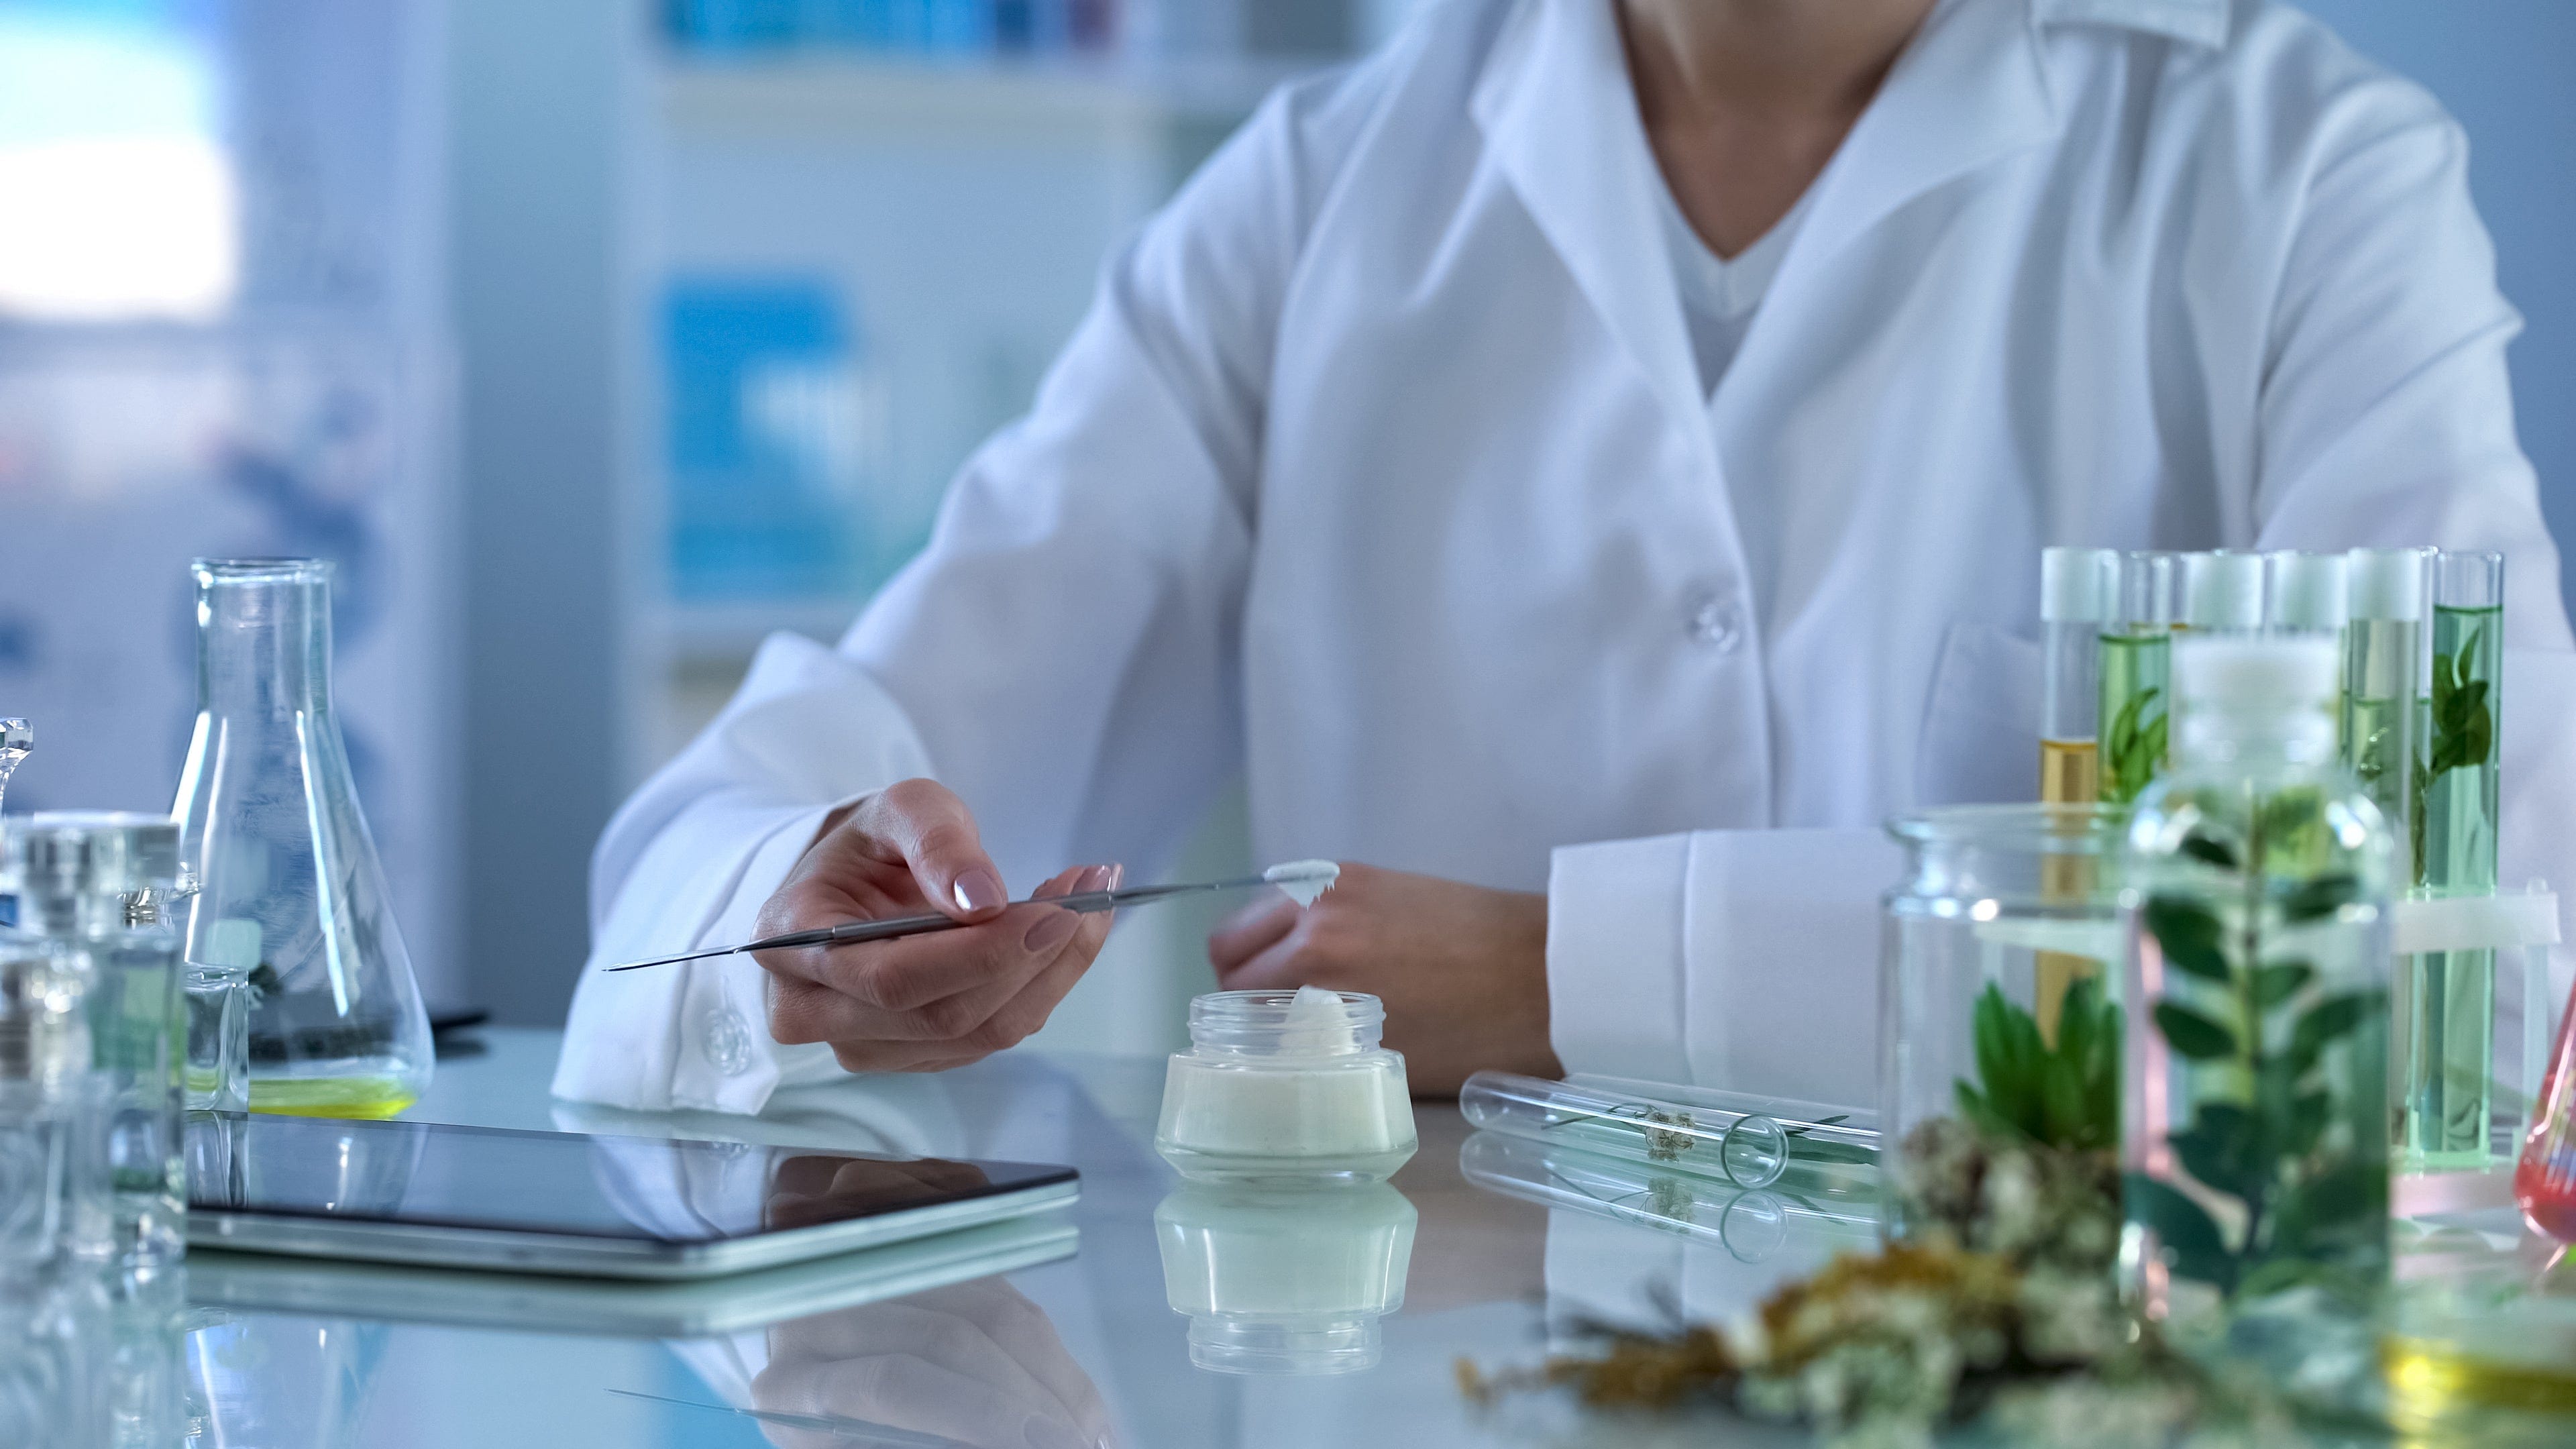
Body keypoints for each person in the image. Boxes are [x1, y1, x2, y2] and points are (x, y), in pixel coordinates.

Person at [554, 0, 2576, 1115]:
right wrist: (805, 917)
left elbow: (2467, 981)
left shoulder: (2299, 175)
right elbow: (775, 814)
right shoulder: (1316, 199)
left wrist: (1564, 975)